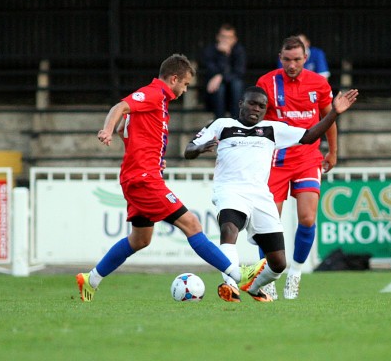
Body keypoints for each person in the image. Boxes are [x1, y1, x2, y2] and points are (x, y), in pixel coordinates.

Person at [76, 54, 264, 302]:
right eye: (185, 84)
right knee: (192, 225)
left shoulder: (160, 103)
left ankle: (90, 280)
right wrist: (107, 130)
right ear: (173, 78)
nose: (185, 90)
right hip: (143, 179)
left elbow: (127, 129)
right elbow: (119, 108)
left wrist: (146, 152)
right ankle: (238, 274)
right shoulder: (153, 94)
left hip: (141, 174)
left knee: (140, 239)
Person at [184, 86, 358, 302]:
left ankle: (254, 287)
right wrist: (200, 149)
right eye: (252, 104)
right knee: (229, 228)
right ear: (241, 103)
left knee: (278, 263)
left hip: (260, 196)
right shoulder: (222, 125)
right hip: (229, 190)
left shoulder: (272, 129)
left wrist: (334, 113)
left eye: (261, 106)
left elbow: (309, 135)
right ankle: (230, 285)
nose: (256, 109)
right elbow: (188, 149)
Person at [257, 36, 338, 300]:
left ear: (306, 58)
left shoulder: (319, 83)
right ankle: (267, 275)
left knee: (307, 218)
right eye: (287, 59)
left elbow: (329, 117)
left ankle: (295, 274)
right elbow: (254, 119)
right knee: (268, 221)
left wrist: (333, 151)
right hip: (275, 159)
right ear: (280, 58)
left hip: (307, 158)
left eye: (297, 59)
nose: (292, 65)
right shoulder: (266, 82)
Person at [202, 23, 246, 119]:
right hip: (214, 94)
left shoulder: (239, 51)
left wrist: (221, 76)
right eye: (223, 37)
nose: (226, 40)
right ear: (218, 37)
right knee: (220, 87)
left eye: (229, 37)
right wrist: (223, 55)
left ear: (235, 39)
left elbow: (239, 72)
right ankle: (219, 120)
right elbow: (210, 70)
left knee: (236, 84)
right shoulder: (210, 51)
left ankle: (237, 120)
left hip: (233, 93)